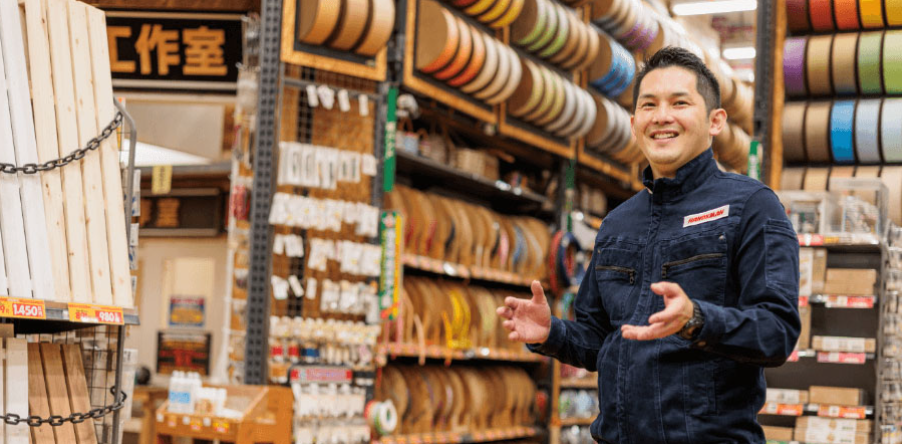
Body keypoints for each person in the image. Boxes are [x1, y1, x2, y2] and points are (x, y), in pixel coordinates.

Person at [497, 47, 801, 444]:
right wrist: (550, 332)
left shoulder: (751, 206)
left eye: (680, 103)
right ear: (634, 123)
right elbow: (598, 340)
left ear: (715, 121)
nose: (661, 116)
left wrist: (696, 319)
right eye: (649, 105)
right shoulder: (617, 223)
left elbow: (777, 331)